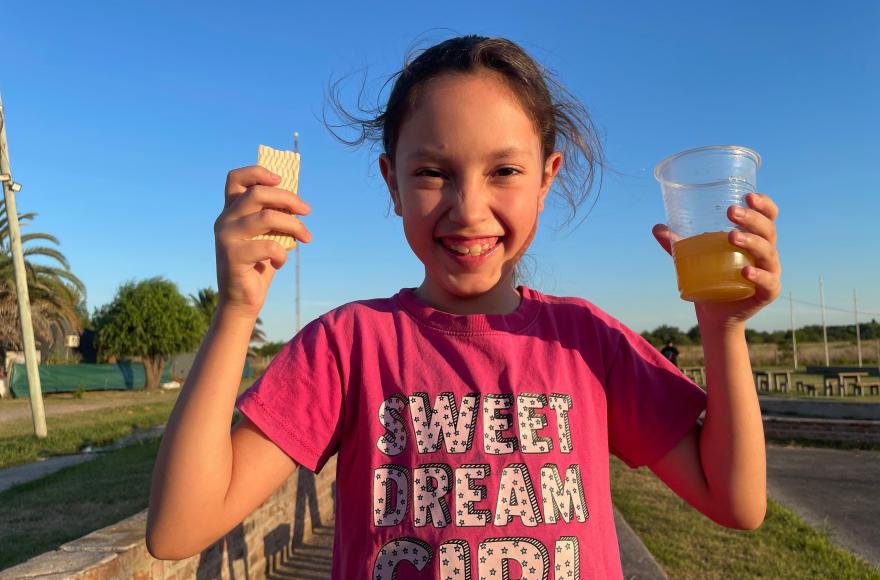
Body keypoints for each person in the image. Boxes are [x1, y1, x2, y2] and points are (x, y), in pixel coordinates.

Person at [145, 35, 780, 579]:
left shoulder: (591, 341)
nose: (468, 209)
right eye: (432, 173)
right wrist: (236, 308)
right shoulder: (346, 346)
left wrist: (723, 329)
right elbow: (178, 529)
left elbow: (735, 501)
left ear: (546, 179)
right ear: (392, 182)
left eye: (504, 170)